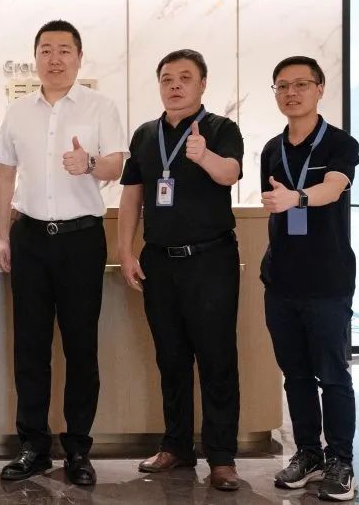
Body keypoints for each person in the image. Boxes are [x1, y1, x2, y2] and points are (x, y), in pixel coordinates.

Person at [0, 20, 127, 486]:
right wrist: (2, 237)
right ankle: (33, 446)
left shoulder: (100, 106)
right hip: (29, 238)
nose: (55, 58)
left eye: (64, 50)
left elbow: (116, 164)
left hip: (81, 239)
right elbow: (5, 176)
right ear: (35, 58)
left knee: (81, 347)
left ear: (79, 57)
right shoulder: (18, 112)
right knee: (30, 346)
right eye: (46, 50)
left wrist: (88, 163)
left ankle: (77, 449)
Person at [118, 49, 244, 491]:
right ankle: (176, 445)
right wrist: (126, 251)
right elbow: (132, 195)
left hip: (211, 259)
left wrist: (204, 156)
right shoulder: (145, 134)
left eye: (185, 77)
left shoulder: (221, 129)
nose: (174, 85)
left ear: (202, 84)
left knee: (217, 359)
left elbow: (230, 173)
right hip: (159, 261)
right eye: (167, 78)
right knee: (170, 358)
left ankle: (222, 457)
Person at [261, 56, 359, 502]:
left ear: (320, 88)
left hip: (327, 281)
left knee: (333, 375)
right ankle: (308, 453)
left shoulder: (340, 143)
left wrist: (297, 197)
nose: (291, 93)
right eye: (282, 86)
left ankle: (341, 460)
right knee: (295, 375)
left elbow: (334, 187)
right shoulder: (272, 148)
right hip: (281, 282)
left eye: (301, 84)